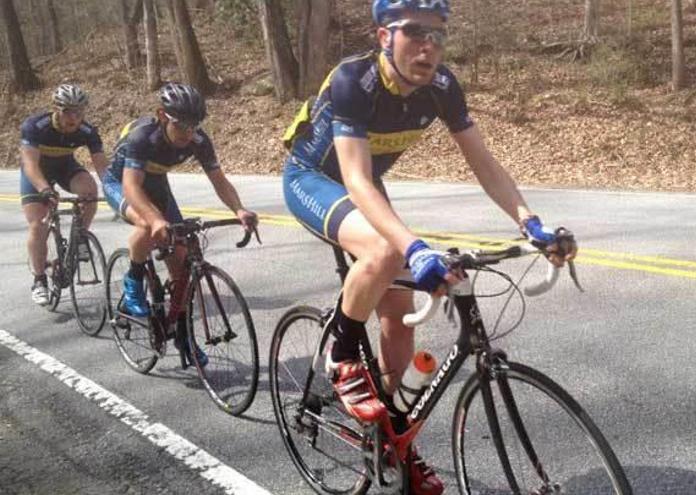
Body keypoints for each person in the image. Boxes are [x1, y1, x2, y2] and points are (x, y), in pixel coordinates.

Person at [282, 1, 578, 492]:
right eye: (414, 32)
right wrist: (415, 248)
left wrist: (531, 223)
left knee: (398, 318)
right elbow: (354, 178)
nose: (429, 46)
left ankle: (398, 444)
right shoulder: (353, 80)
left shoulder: (441, 87)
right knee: (386, 251)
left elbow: (484, 163)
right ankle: (341, 354)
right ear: (384, 37)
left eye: (439, 35)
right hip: (314, 180)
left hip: (367, 188)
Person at [103, 82, 257, 365]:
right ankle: (133, 280)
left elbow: (219, 180)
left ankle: (182, 334)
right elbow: (132, 186)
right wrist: (156, 219)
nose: (189, 132)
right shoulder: (142, 138)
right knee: (147, 226)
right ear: (163, 116)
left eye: (195, 125)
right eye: (182, 125)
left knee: (182, 263)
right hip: (122, 183)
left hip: (157, 184)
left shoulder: (198, 140)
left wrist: (239, 209)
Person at [20, 84, 109, 306]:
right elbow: (30, 165)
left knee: (90, 191)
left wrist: (115, 191)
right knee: (38, 224)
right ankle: (39, 279)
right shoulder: (35, 126)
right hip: (37, 172)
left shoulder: (87, 131)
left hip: (64, 167)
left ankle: (80, 238)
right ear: (56, 109)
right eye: (68, 111)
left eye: (79, 112)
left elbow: (103, 169)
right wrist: (44, 190)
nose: (74, 117)